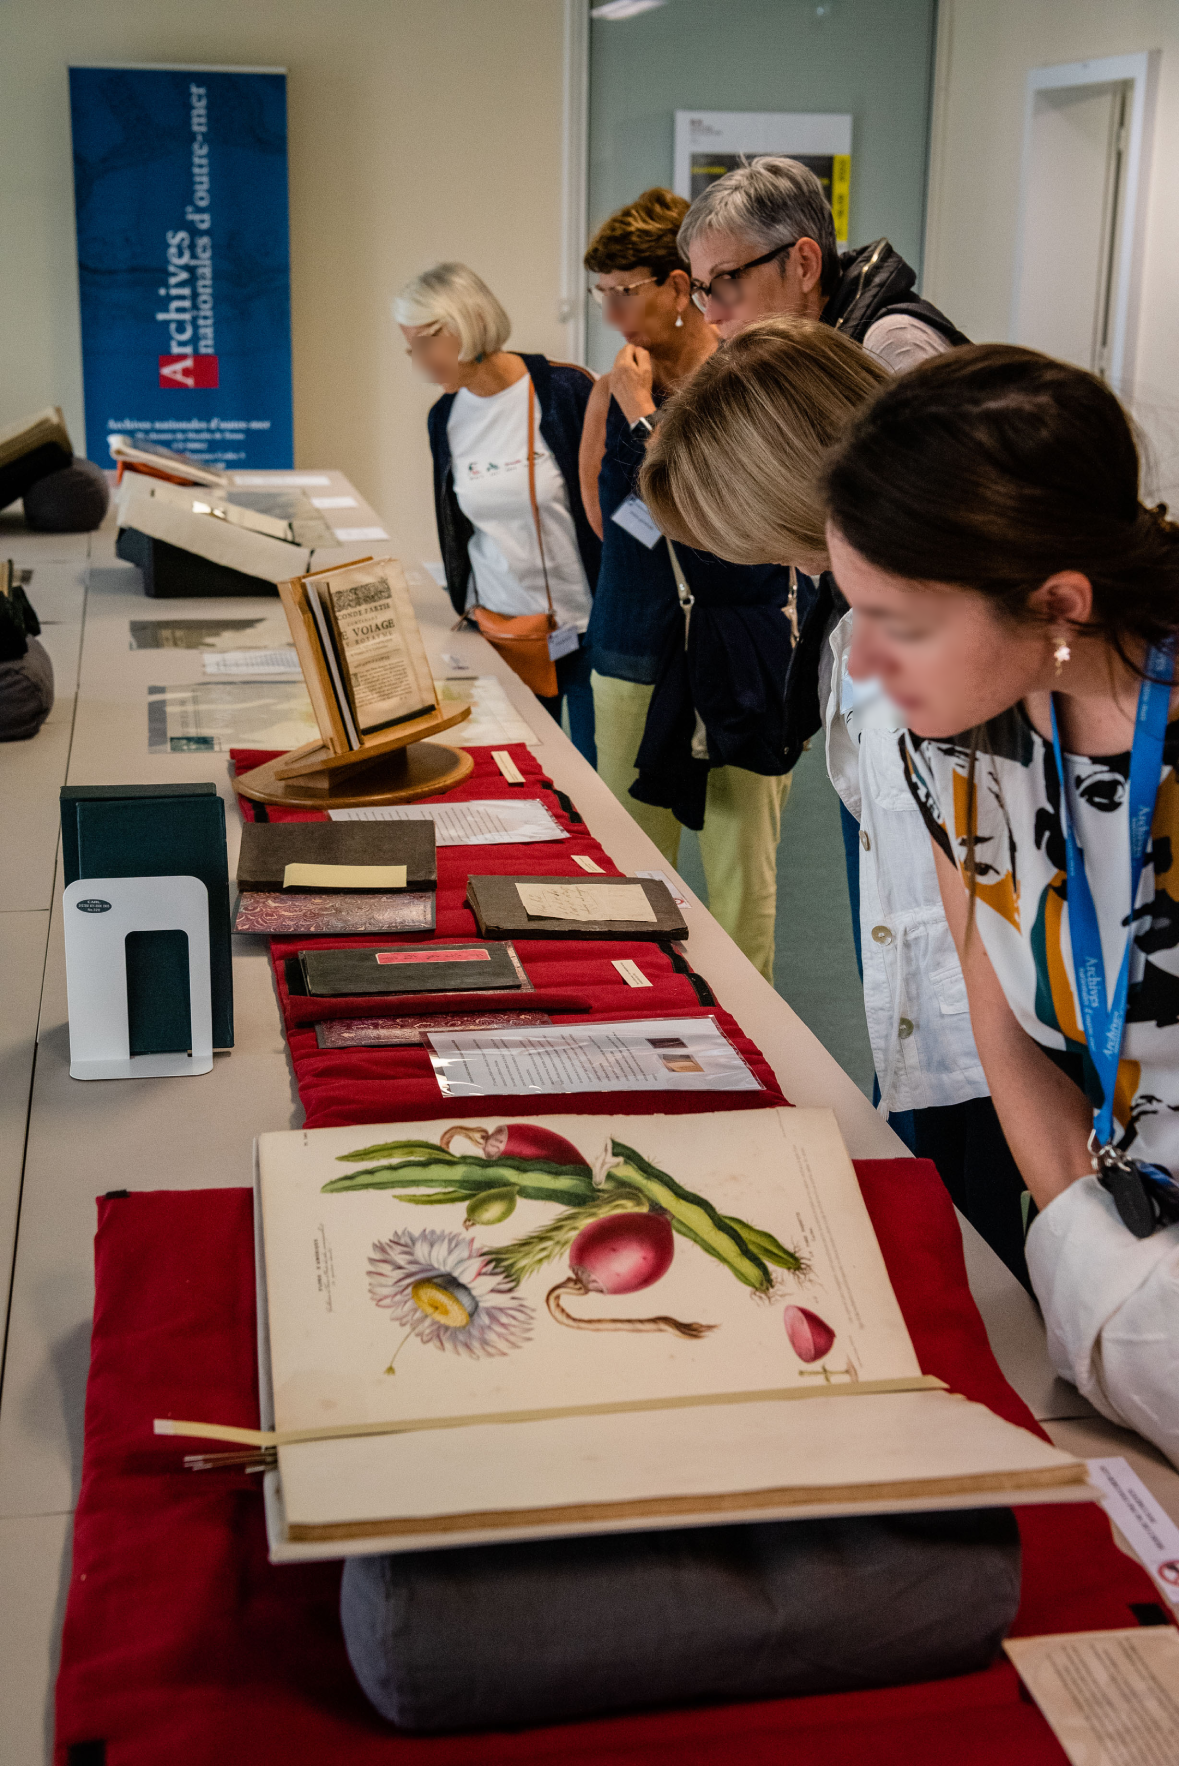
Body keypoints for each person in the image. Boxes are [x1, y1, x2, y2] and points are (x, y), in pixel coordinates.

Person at [822, 344, 1179, 1467]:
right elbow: (999, 1009)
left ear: (1059, 600)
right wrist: (1089, 1244)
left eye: (904, 624)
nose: (869, 664)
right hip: (1123, 1271)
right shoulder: (967, 745)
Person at [640, 316, 1030, 1285]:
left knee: (987, 1274)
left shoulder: (942, 630)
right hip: (935, 1026)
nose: (786, 569)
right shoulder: (861, 613)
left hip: (1000, 1042)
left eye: (760, 538)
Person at [579, 188, 798, 981]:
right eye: (599, 294)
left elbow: (727, 519)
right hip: (632, 643)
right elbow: (606, 522)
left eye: (623, 292)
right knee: (632, 875)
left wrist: (644, 414)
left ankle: (756, 1045)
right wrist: (627, 405)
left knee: (743, 883)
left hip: (735, 653)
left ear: (678, 287)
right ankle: (646, 1022)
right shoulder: (609, 389)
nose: (610, 315)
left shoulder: (745, 375)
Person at [394, 262, 600, 764]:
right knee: (528, 773)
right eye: (409, 347)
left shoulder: (566, 392)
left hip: (590, 625)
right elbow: (459, 526)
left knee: (602, 777)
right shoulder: (445, 417)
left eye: (423, 343)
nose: (417, 362)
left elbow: (607, 509)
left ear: (462, 326)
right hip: (506, 630)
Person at [678, 154, 966, 366]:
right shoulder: (785, 356)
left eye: (725, 282)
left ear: (804, 264)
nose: (710, 316)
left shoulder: (892, 345)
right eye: (702, 291)